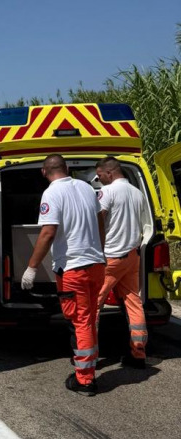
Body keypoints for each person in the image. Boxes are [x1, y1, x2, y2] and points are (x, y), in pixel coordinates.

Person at [22, 154, 105, 396]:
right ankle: (86, 363)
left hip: (74, 269)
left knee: (79, 322)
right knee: (88, 318)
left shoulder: (51, 193)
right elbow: (101, 219)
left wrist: (32, 267)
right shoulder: (86, 188)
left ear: (43, 172)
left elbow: (48, 232)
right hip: (96, 265)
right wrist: (99, 248)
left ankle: (85, 379)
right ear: (67, 168)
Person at [95, 157, 150, 368]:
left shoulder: (107, 193)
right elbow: (145, 224)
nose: (99, 180)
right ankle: (138, 353)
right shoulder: (137, 193)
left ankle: (90, 355)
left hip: (111, 257)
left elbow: (100, 219)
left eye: (99, 176)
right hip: (132, 256)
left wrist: (95, 249)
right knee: (133, 302)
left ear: (109, 173)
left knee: (94, 304)